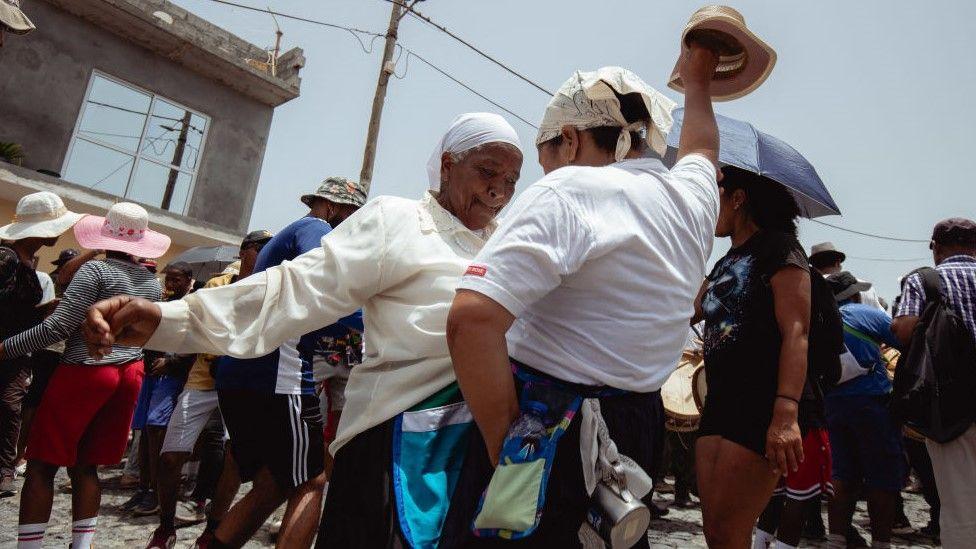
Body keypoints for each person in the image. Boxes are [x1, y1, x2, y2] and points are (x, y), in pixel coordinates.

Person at [82, 113, 523, 548]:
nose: (499, 191)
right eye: (487, 172)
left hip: (477, 448)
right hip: (397, 446)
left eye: (512, 180)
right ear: (447, 165)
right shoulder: (400, 221)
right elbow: (295, 288)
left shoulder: (506, 243)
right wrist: (169, 319)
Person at [443, 54, 721, 548]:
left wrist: (505, 444)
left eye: (545, 157)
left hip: (547, 425)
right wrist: (700, 81)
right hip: (635, 434)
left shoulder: (570, 190)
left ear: (569, 139)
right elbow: (701, 148)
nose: (542, 175)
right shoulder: (694, 202)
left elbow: (471, 320)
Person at [2, 201, 167, 549]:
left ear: (105, 235)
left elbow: (57, 327)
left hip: (86, 371)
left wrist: (4, 349)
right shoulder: (152, 285)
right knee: (86, 466)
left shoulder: (96, 273)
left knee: (42, 465)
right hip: (128, 373)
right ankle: (82, 544)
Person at [691, 159, 817, 548]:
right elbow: (687, 310)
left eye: (715, 196)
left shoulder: (781, 249)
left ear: (738, 199)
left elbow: (796, 332)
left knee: (730, 532)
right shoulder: (725, 260)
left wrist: (786, 413)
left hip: (760, 406)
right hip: (719, 404)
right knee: (716, 532)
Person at [146, 230, 272, 549]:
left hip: (244, 383)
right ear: (245, 252)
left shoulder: (271, 288)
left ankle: (212, 529)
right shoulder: (218, 286)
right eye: (262, 248)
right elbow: (199, 325)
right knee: (170, 457)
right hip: (204, 377)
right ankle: (165, 527)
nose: (270, 254)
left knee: (233, 458)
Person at [892, 217, 976, 549]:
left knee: (960, 507)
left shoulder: (926, 280)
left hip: (951, 406)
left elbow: (903, 330)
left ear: (936, 248)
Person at [0, 192, 82, 498]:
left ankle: (5, 470)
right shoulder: (5, 258)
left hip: (17, 351)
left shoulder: (25, 262)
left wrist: (42, 312)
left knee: (11, 407)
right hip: (6, 347)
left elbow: (14, 311)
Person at [126, 261, 195, 518]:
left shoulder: (192, 303)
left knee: (157, 430)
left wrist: (172, 362)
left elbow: (193, 341)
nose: (171, 284)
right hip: (151, 371)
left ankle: (158, 491)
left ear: (188, 280)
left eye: (177, 280)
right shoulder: (164, 303)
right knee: (143, 430)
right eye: (169, 279)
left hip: (172, 374)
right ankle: (144, 488)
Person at [809, 242, 884, 310]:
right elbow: (883, 318)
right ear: (838, 263)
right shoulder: (866, 288)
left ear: (813, 267)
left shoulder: (809, 288)